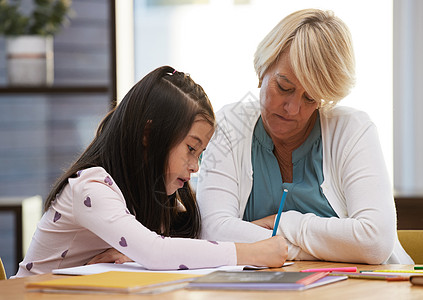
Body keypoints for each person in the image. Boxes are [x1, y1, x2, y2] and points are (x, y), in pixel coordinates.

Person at [12, 66, 287, 278]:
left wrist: (251, 230)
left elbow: (189, 242)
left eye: (200, 154)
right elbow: (158, 252)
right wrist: (253, 251)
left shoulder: (153, 196)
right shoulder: (91, 188)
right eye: (191, 149)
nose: (196, 166)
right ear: (149, 134)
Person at [196, 9, 413, 264]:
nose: (293, 108)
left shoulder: (352, 128)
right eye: (283, 87)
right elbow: (211, 234)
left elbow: (374, 242)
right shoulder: (231, 124)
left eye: (310, 97)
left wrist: (285, 224)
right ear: (262, 70)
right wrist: (319, 248)